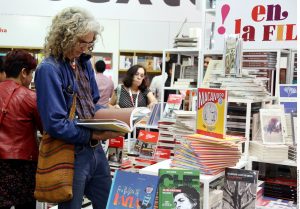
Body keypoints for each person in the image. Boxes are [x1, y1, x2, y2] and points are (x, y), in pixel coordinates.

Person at [34, 7, 122, 209]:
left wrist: (116, 119)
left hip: (95, 152)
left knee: (111, 203)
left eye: (90, 43)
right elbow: (55, 123)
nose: (85, 48)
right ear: (65, 36)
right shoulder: (49, 69)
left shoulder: (84, 64)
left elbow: (93, 102)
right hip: (70, 153)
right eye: (82, 42)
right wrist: (92, 135)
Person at [0, 50, 43, 209]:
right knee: (26, 205)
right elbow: (45, 128)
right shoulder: (30, 97)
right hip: (22, 164)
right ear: (23, 72)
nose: (31, 78)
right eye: (31, 73)